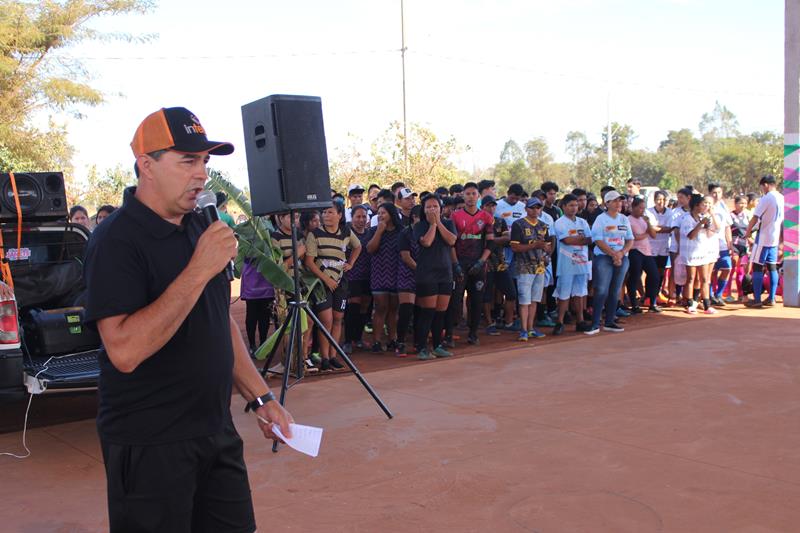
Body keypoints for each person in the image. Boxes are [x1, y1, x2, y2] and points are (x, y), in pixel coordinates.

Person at [84, 106, 292, 532]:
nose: (201, 174)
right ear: (147, 165)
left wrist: (261, 398)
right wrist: (198, 269)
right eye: (187, 161)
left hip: (216, 432)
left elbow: (220, 323)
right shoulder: (116, 241)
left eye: (205, 162)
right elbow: (124, 350)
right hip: (150, 444)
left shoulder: (202, 227)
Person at [304, 202, 361, 370]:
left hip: (340, 282)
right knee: (326, 321)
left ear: (340, 215)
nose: (326, 215)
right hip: (321, 283)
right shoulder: (314, 234)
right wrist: (326, 279)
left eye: (330, 212)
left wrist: (351, 263)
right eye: (324, 212)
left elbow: (358, 246)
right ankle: (325, 357)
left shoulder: (346, 232)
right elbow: (309, 262)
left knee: (338, 320)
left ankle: (334, 355)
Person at [448, 182, 495, 346]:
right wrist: (455, 265)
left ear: (478, 196)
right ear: (463, 196)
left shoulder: (486, 217)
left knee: (476, 301)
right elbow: (451, 244)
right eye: (467, 194)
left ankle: (473, 333)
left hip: (479, 265)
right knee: (454, 301)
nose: (470, 197)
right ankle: (449, 334)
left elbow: (490, 244)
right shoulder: (455, 216)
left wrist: (481, 261)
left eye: (473, 194)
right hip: (460, 264)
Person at [413, 194, 457, 360]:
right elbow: (426, 242)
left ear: (441, 208)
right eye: (428, 207)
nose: (432, 209)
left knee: (441, 312)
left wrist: (438, 222)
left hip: (445, 273)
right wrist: (432, 224)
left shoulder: (448, 223)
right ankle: (422, 348)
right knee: (428, 312)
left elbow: (452, 240)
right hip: (427, 274)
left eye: (435, 206)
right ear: (423, 210)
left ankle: (438, 345)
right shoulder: (419, 226)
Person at [586, 190, 633, 334]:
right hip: (603, 257)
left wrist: (621, 253)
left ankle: (610, 321)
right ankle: (595, 323)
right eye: (616, 201)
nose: (619, 203)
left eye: (620, 200)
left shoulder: (624, 219)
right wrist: (613, 254)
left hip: (621, 257)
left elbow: (630, 239)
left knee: (615, 290)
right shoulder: (601, 219)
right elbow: (598, 240)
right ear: (607, 203)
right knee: (601, 289)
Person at [510, 198, 551, 341]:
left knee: (534, 300)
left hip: (539, 267)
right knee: (524, 300)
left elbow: (547, 246)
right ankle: (523, 330)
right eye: (533, 208)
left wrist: (546, 254)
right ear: (526, 209)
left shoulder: (543, 225)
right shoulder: (518, 225)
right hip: (524, 266)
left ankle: (531, 329)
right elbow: (514, 247)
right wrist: (534, 246)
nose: (536, 210)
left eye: (538, 208)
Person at [552, 194, 592, 334]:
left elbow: (589, 239)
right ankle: (560, 322)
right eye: (571, 205)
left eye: (576, 205)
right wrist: (580, 239)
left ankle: (580, 321)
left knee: (580, 293)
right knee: (564, 293)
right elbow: (566, 240)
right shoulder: (560, 222)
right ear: (564, 206)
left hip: (582, 262)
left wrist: (577, 239)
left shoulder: (582, 222)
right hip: (566, 264)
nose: (574, 208)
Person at [366, 202, 402, 352]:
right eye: (379, 213)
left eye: (384, 213)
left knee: (394, 308)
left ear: (391, 214)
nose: (380, 216)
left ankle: (393, 338)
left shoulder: (402, 231)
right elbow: (370, 249)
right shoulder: (374, 230)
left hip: (396, 274)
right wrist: (379, 232)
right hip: (379, 274)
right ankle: (376, 341)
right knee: (380, 307)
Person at [745, 175, 785, 307]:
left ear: (766, 184)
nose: (762, 189)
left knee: (757, 266)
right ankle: (771, 298)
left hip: (763, 238)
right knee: (772, 267)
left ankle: (757, 299)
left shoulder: (767, 198)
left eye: (762, 186)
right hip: (774, 237)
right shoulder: (781, 197)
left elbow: (755, 217)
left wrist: (748, 231)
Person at [481, 196, 515, 335]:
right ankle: (490, 323)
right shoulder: (479, 221)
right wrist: (497, 240)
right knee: (486, 295)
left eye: (493, 205)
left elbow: (507, 238)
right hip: (485, 263)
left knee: (511, 293)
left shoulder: (500, 221)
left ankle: (508, 322)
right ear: (482, 207)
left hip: (500, 263)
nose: (491, 208)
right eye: (488, 205)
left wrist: (490, 240)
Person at [681, 194, 719, 314]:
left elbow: (713, 231)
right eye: (702, 204)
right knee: (691, 278)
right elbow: (691, 236)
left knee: (704, 278)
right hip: (690, 252)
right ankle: (690, 304)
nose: (704, 206)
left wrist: (707, 225)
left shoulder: (703, 217)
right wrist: (700, 224)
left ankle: (707, 305)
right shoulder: (687, 219)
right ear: (696, 206)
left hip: (703, 251)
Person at [342, 205, 371, 354]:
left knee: (364, 308)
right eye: (358, 217)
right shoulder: (346, 234)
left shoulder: (370, 233)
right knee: (353, 306)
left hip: (368, 275)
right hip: (352, 276)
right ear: (352, 218)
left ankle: (358, 338)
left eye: (364, 216)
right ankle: (347, 341)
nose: (361, 220)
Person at [396, 205, 422, 356]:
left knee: (420, 311)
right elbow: (406, 257)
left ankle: (418, 342)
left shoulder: (428, 232)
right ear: (414, 217)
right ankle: (400, 342)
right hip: (407, 274)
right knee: (406, 309)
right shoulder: (405, 233)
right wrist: (420, 270)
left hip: (424, 275)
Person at [627, 196, 662, 313]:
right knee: (635, 276)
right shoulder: (628, 220)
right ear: (633, 207)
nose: (642, 210)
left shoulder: (644, 220)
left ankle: (651, 301)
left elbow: (654, 235)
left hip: (647, 251)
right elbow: (634, 237)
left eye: (643, 208)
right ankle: (634, 304)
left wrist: (648, 224)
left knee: (655, 275)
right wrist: (646, 234)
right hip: (634, 250)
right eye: (640, 208)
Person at [708, 183, 733, 305]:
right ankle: (710, 294)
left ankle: (719, 294)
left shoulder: (724, 206)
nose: (716, 195)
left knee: (727, 268)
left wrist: (730, 243)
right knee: (711, 271)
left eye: (719, 192)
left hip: (722, 243)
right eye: (714, 192)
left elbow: (728, 226)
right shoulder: (707, 206)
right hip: (710, 243)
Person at [646, 191, 671, 302]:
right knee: (651, 272)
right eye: (659, 199)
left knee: (661, 271)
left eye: (664, 200)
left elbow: (671, 228)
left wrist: (656, 228)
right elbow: (649, 228)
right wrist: (660, 228)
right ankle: (648, 295)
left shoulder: (670, 212)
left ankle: (656, 294)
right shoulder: (648, 212)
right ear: (654, 200)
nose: (661, 202)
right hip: (651, 246)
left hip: (664, 246)